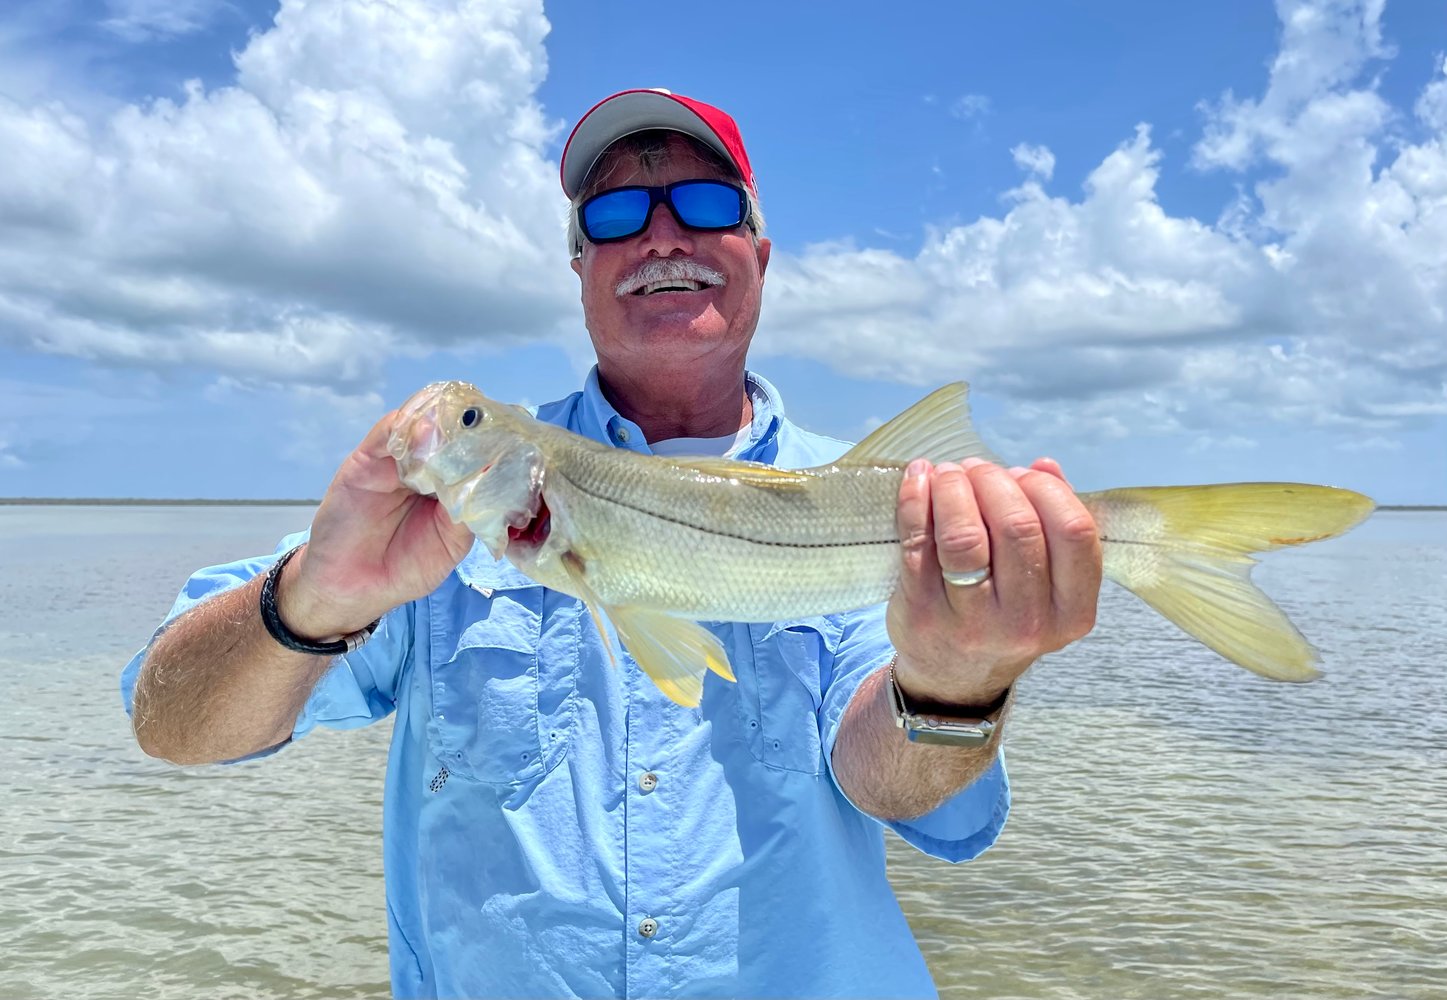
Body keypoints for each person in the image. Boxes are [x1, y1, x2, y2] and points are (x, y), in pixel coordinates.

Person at [122, 88, 1102, 998]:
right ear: (581, 268)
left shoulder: (877, 501)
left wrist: (949, 687)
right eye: (615, 216)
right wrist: (308, 604)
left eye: (706, 203)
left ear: (759, 253)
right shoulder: (425, 530)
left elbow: (898, 788)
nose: (662, 236)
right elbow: (174, 725)